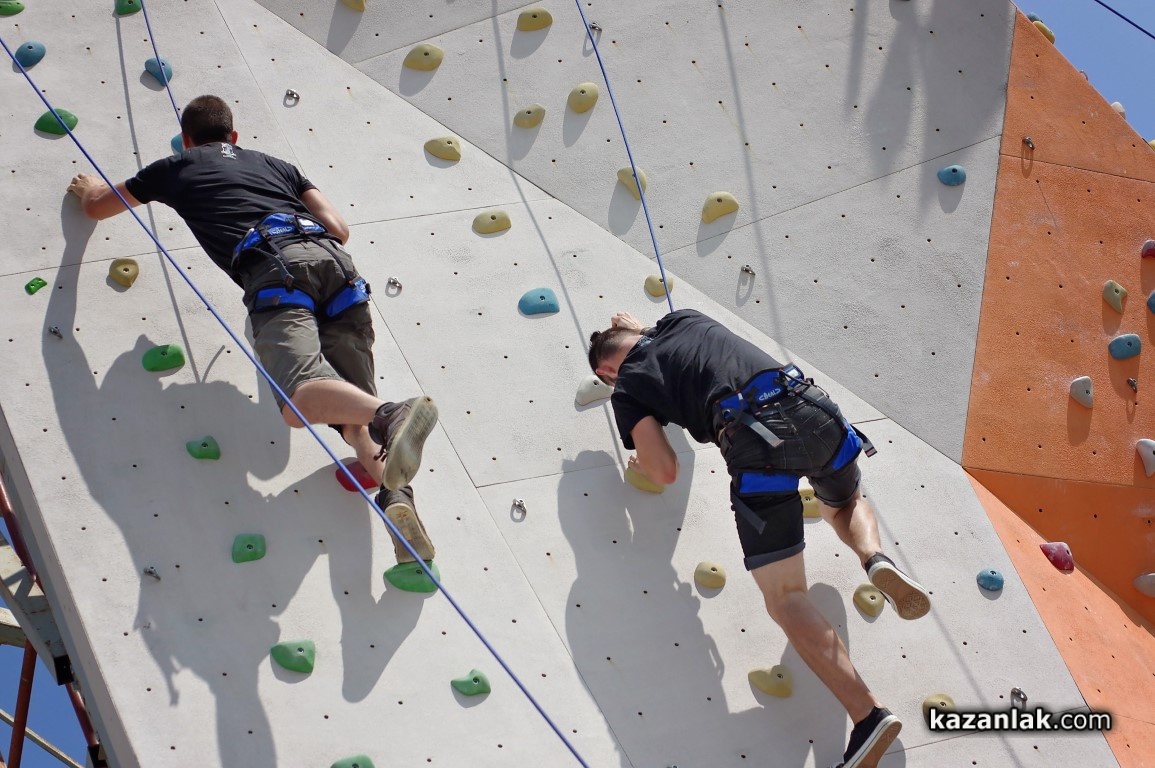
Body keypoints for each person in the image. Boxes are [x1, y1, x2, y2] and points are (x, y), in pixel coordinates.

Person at [67, 94, 437, 566]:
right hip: (340, 272)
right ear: (234, 135)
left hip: (279, 274)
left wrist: (88, 189)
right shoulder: (277, 165)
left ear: (186, 138)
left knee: (300, 401)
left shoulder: (175, 167)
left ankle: (392, 413)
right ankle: (398, 503)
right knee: (351, 416)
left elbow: (98, 207)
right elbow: (339, 228)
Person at [588, 308, 931, 768]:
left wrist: (642, 460)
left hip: (756, 446)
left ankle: (869, 716)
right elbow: (658, 343)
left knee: (786, 597)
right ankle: (874, 558)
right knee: (845, 502)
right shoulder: (682, 319)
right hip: (812, 408)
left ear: (606, 373)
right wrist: (636, 329)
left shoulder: (627, 388)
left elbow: (665, 470)